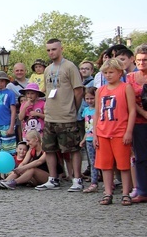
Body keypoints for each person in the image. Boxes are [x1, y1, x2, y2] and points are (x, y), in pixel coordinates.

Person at [36, 39, 85, 192]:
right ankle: (53, 179)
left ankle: (77, 179)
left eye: (54, 49)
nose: (51, 52)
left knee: (72, 149)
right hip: (50, 116)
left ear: (61, 49)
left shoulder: (70, 67)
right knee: (49, 149)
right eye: (48, 50)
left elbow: (78, 91)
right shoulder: (47, 69)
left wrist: (73, 110)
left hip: (67, 116)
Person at [94, 58, 136, 205]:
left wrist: (129, 131)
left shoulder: (126, 88)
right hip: (103, 132)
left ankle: (126, 192)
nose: (108, 75)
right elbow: (97, 112)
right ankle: (108, 192)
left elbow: (132, 111)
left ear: (119, 73)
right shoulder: (100, 90)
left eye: (111, 72)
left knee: (124, 164)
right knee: (105, 165)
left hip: (120, 131)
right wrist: (95, 133)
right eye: (105, 73)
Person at [126, 44, 147, 204]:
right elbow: (130, 101)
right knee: (140, 157)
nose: (142, 63)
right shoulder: (131, 78)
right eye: (139, 60)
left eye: (145, 60)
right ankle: (142, 190)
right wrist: (144, 113)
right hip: (139, 120)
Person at [79, 87, 99, 194]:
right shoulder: (86, 111)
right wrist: (84, 139)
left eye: (92, 98)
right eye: (87, 98)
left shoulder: (99, 110)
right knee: (92, 161)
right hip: (89, 139)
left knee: (102, 161)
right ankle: (94, 182)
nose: (89, 101)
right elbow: (87, 127)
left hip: (98, 138)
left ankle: (109, 182)